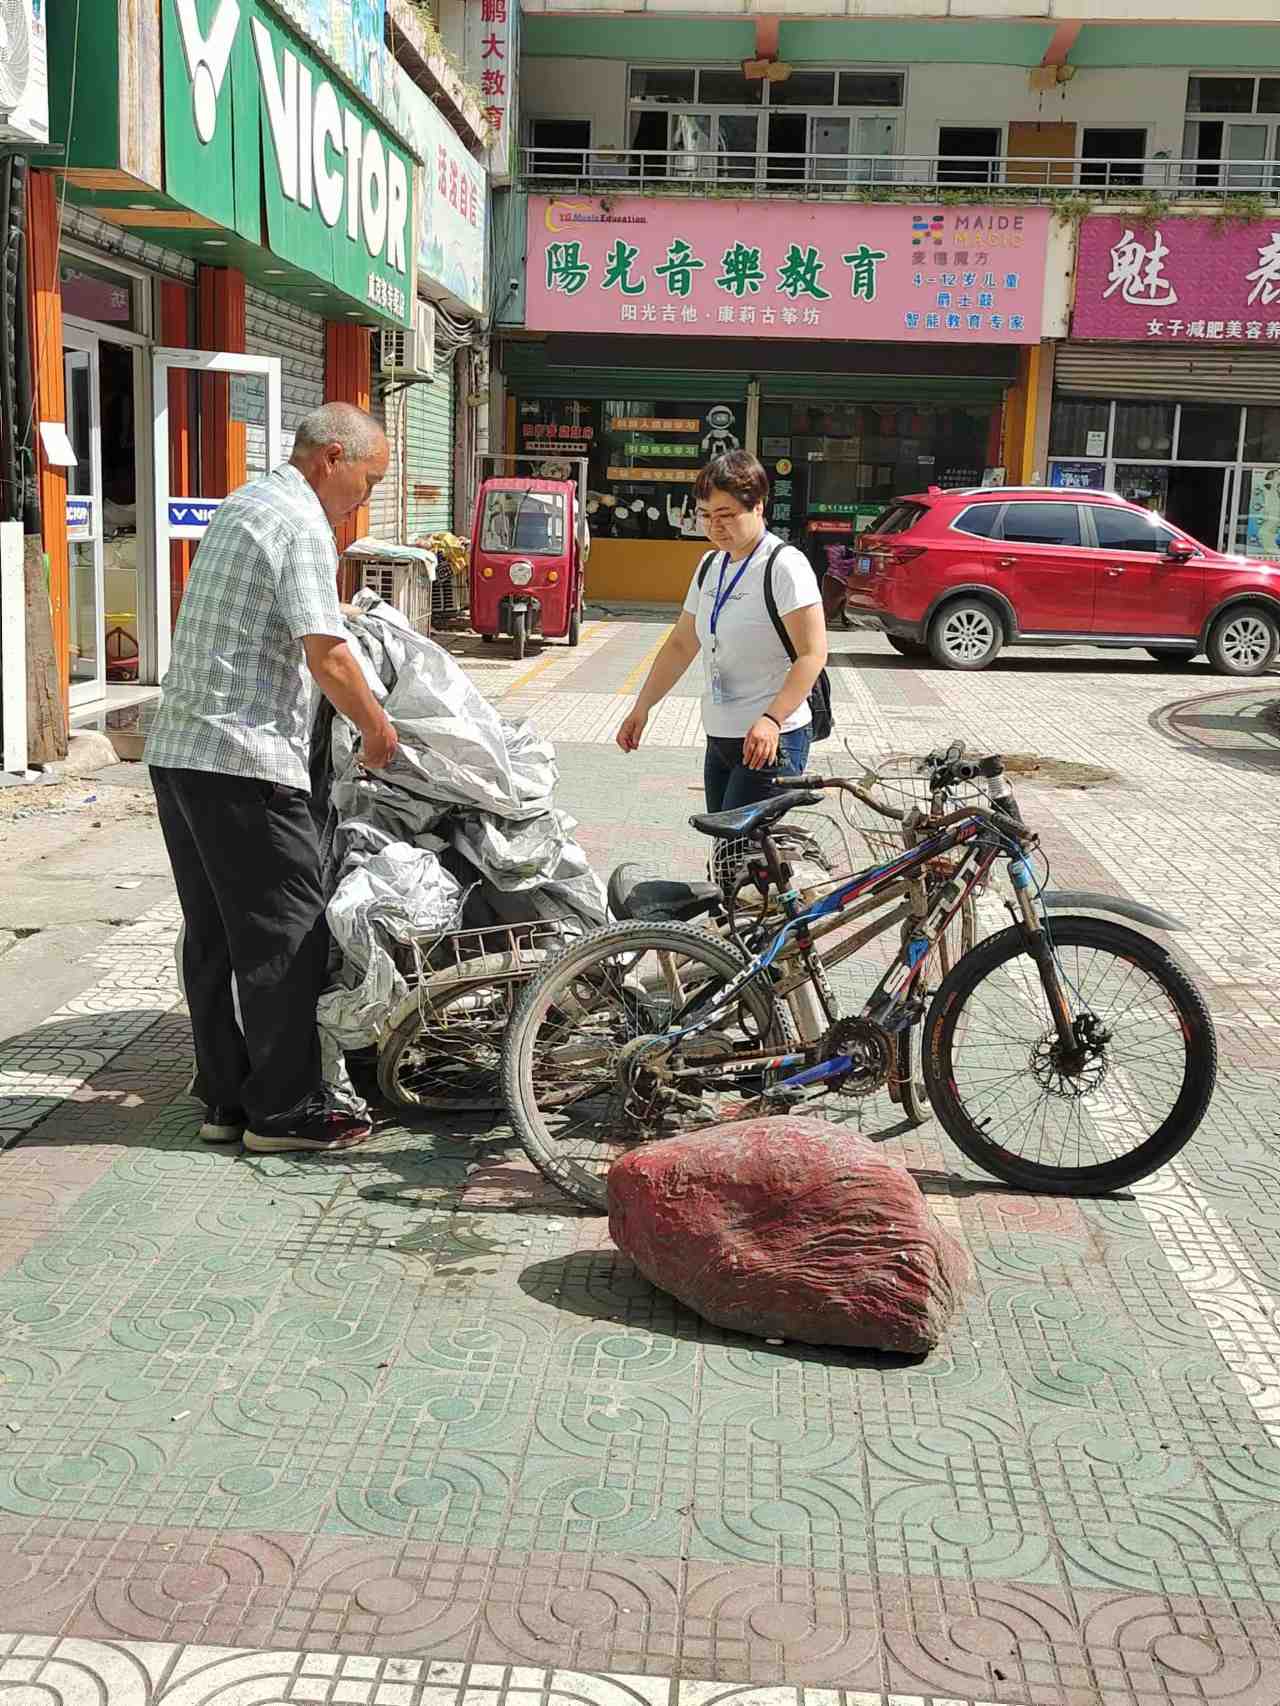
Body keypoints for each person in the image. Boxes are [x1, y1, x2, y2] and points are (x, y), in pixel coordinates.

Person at [145, 401, 399, 1155]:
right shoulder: (300, 523)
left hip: (181, 752)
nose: (367, 498)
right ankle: (283, 1112)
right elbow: (329, 655)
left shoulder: (247, 503)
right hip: (244, 759)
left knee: (217, 935)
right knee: (288, 932)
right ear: (331, 458)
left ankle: (225, 1101)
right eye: (368, 480)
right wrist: (378, 729)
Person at [617, 450, 827, 811]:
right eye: (706, 515)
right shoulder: (710, 565)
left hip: (771, 738)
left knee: (740, 841)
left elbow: (813, 654)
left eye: (726, 515)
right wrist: (642, 707)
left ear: (758, 506)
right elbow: (681, 644)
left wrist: (772, 719)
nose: (715, 526)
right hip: (721, 736)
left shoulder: (784, 566)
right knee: (725, 843)